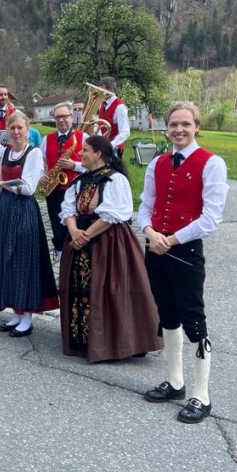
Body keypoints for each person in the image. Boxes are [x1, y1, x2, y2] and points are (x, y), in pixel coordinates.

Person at [137, 102, 229, 424]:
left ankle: (201, 395)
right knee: (167, 316)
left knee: (193, 319)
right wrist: (149, 232)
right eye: (174, 124)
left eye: (185, 124)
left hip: (185, 252)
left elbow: (211, 219)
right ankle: (176, 382)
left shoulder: (212, 163)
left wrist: (171, 239)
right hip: (155, 250)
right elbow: (145, 206)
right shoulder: (157, 163)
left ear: (196, 127)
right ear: (166, 128)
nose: (179, 129)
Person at [58, 135, 163, 362]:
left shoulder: (116, 180)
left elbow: (114, 214)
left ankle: (114, 342)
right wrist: (74, 232)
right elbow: (67, 209)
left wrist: (85, 236)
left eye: (85, 150)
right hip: (80, 241)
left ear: (98, 154)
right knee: (81, 290)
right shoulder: (80, 180)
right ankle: (82, 340)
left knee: (111, 288)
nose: (81, 154)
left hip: (108, 243)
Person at [0, 111, 58, 337]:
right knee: (7, 260)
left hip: (24, 211)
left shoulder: (33, 153)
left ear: (28, 130)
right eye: (13, 128)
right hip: (4, 209)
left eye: (20, 128)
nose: (16, 132)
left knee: (24, 261)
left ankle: (27, 316)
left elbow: (27, 188)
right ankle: (15, 312)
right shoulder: (5, 152)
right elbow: (1, 187)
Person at [39, 103, 86, 261]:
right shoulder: (47, 139)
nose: (61, 120)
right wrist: (42, 176)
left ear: (72, 117)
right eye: (58, 117)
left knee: (77, 228)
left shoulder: (83, 137)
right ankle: (62, 264)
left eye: (65, 116)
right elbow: (39, 163)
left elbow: (94, 165)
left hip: (77, 191)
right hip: (54, 191)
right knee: (58, 230)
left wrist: (75, 165)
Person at [96, 76, 130, 158]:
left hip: (114, 148)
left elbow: (125, 132)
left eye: (102, 90)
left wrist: (111, 145)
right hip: (102, 147)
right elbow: (100, 125)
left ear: (110, 89)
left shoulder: (120, 106)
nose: (100, 93)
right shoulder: (102, 104)